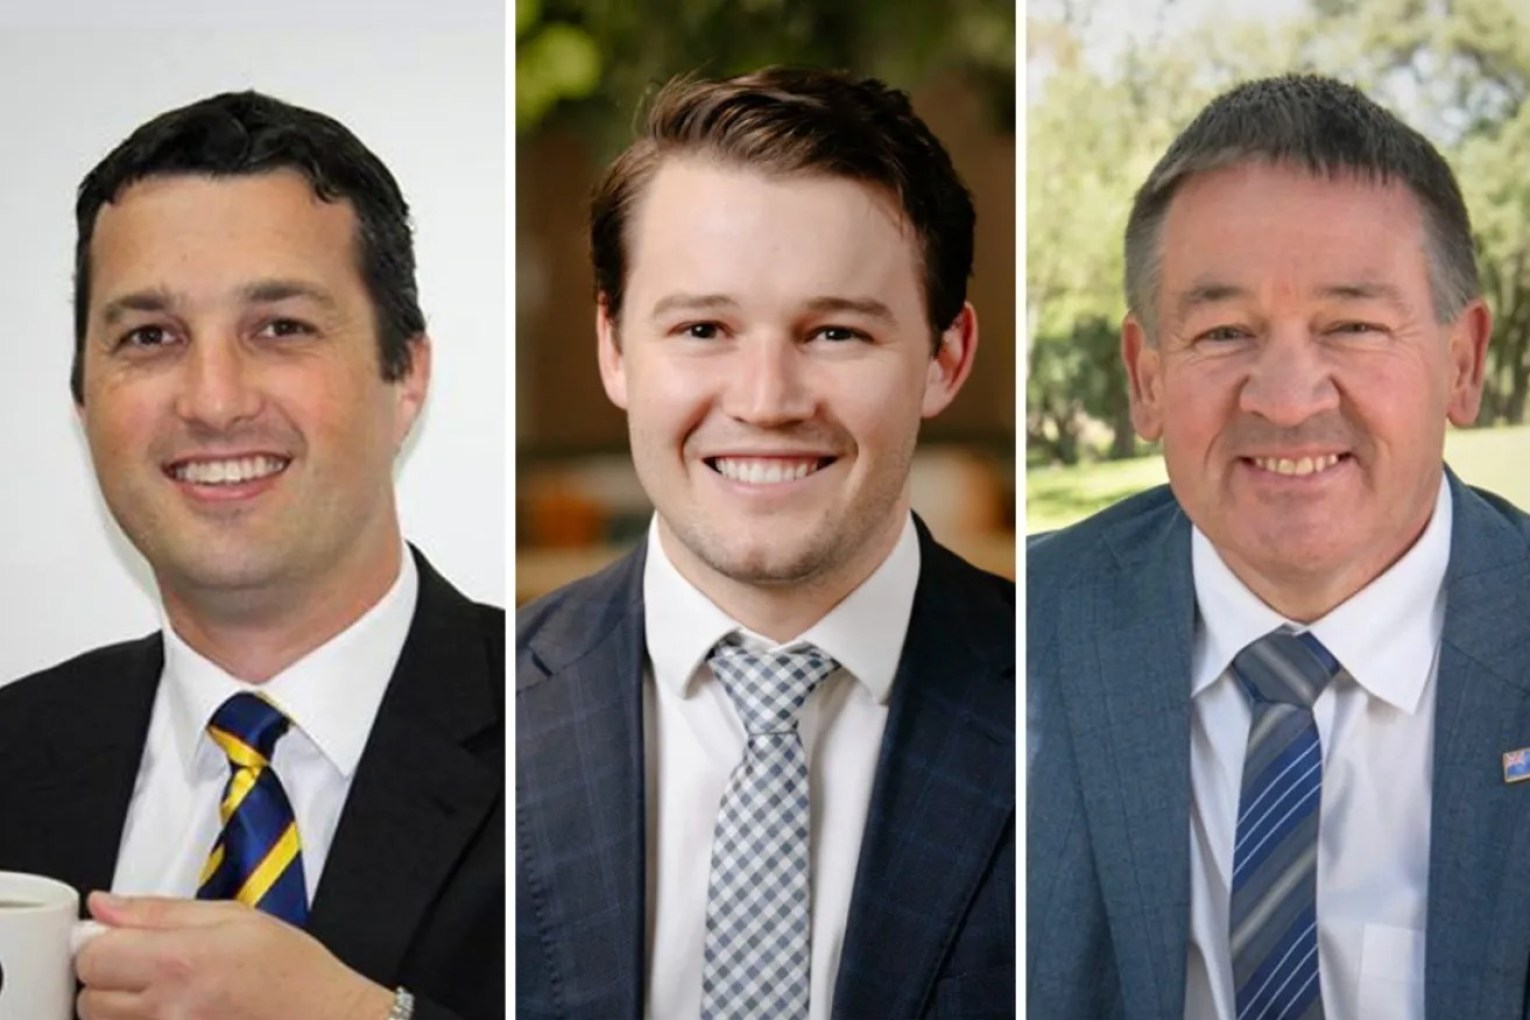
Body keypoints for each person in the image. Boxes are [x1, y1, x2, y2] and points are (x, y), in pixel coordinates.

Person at [1025, 72, 1530, 1020]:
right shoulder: (1024, 634)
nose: (1288, 399)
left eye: (1353, 325)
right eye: (1224, 331)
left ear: (1463, 364)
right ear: (1146, 380)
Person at [516, 67, 1015, 1020]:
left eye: (835, 333)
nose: (765, 400)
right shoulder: (485, 711)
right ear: (615, 348)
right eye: (703, 327)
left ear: (946, 357)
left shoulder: (1066, 705)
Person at [0, 92, 502, 1020]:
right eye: (149, 336)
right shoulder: (13, 754)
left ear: (408, 376)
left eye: (280, 328)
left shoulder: (571, 730)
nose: (215, 400)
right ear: (82, 400)